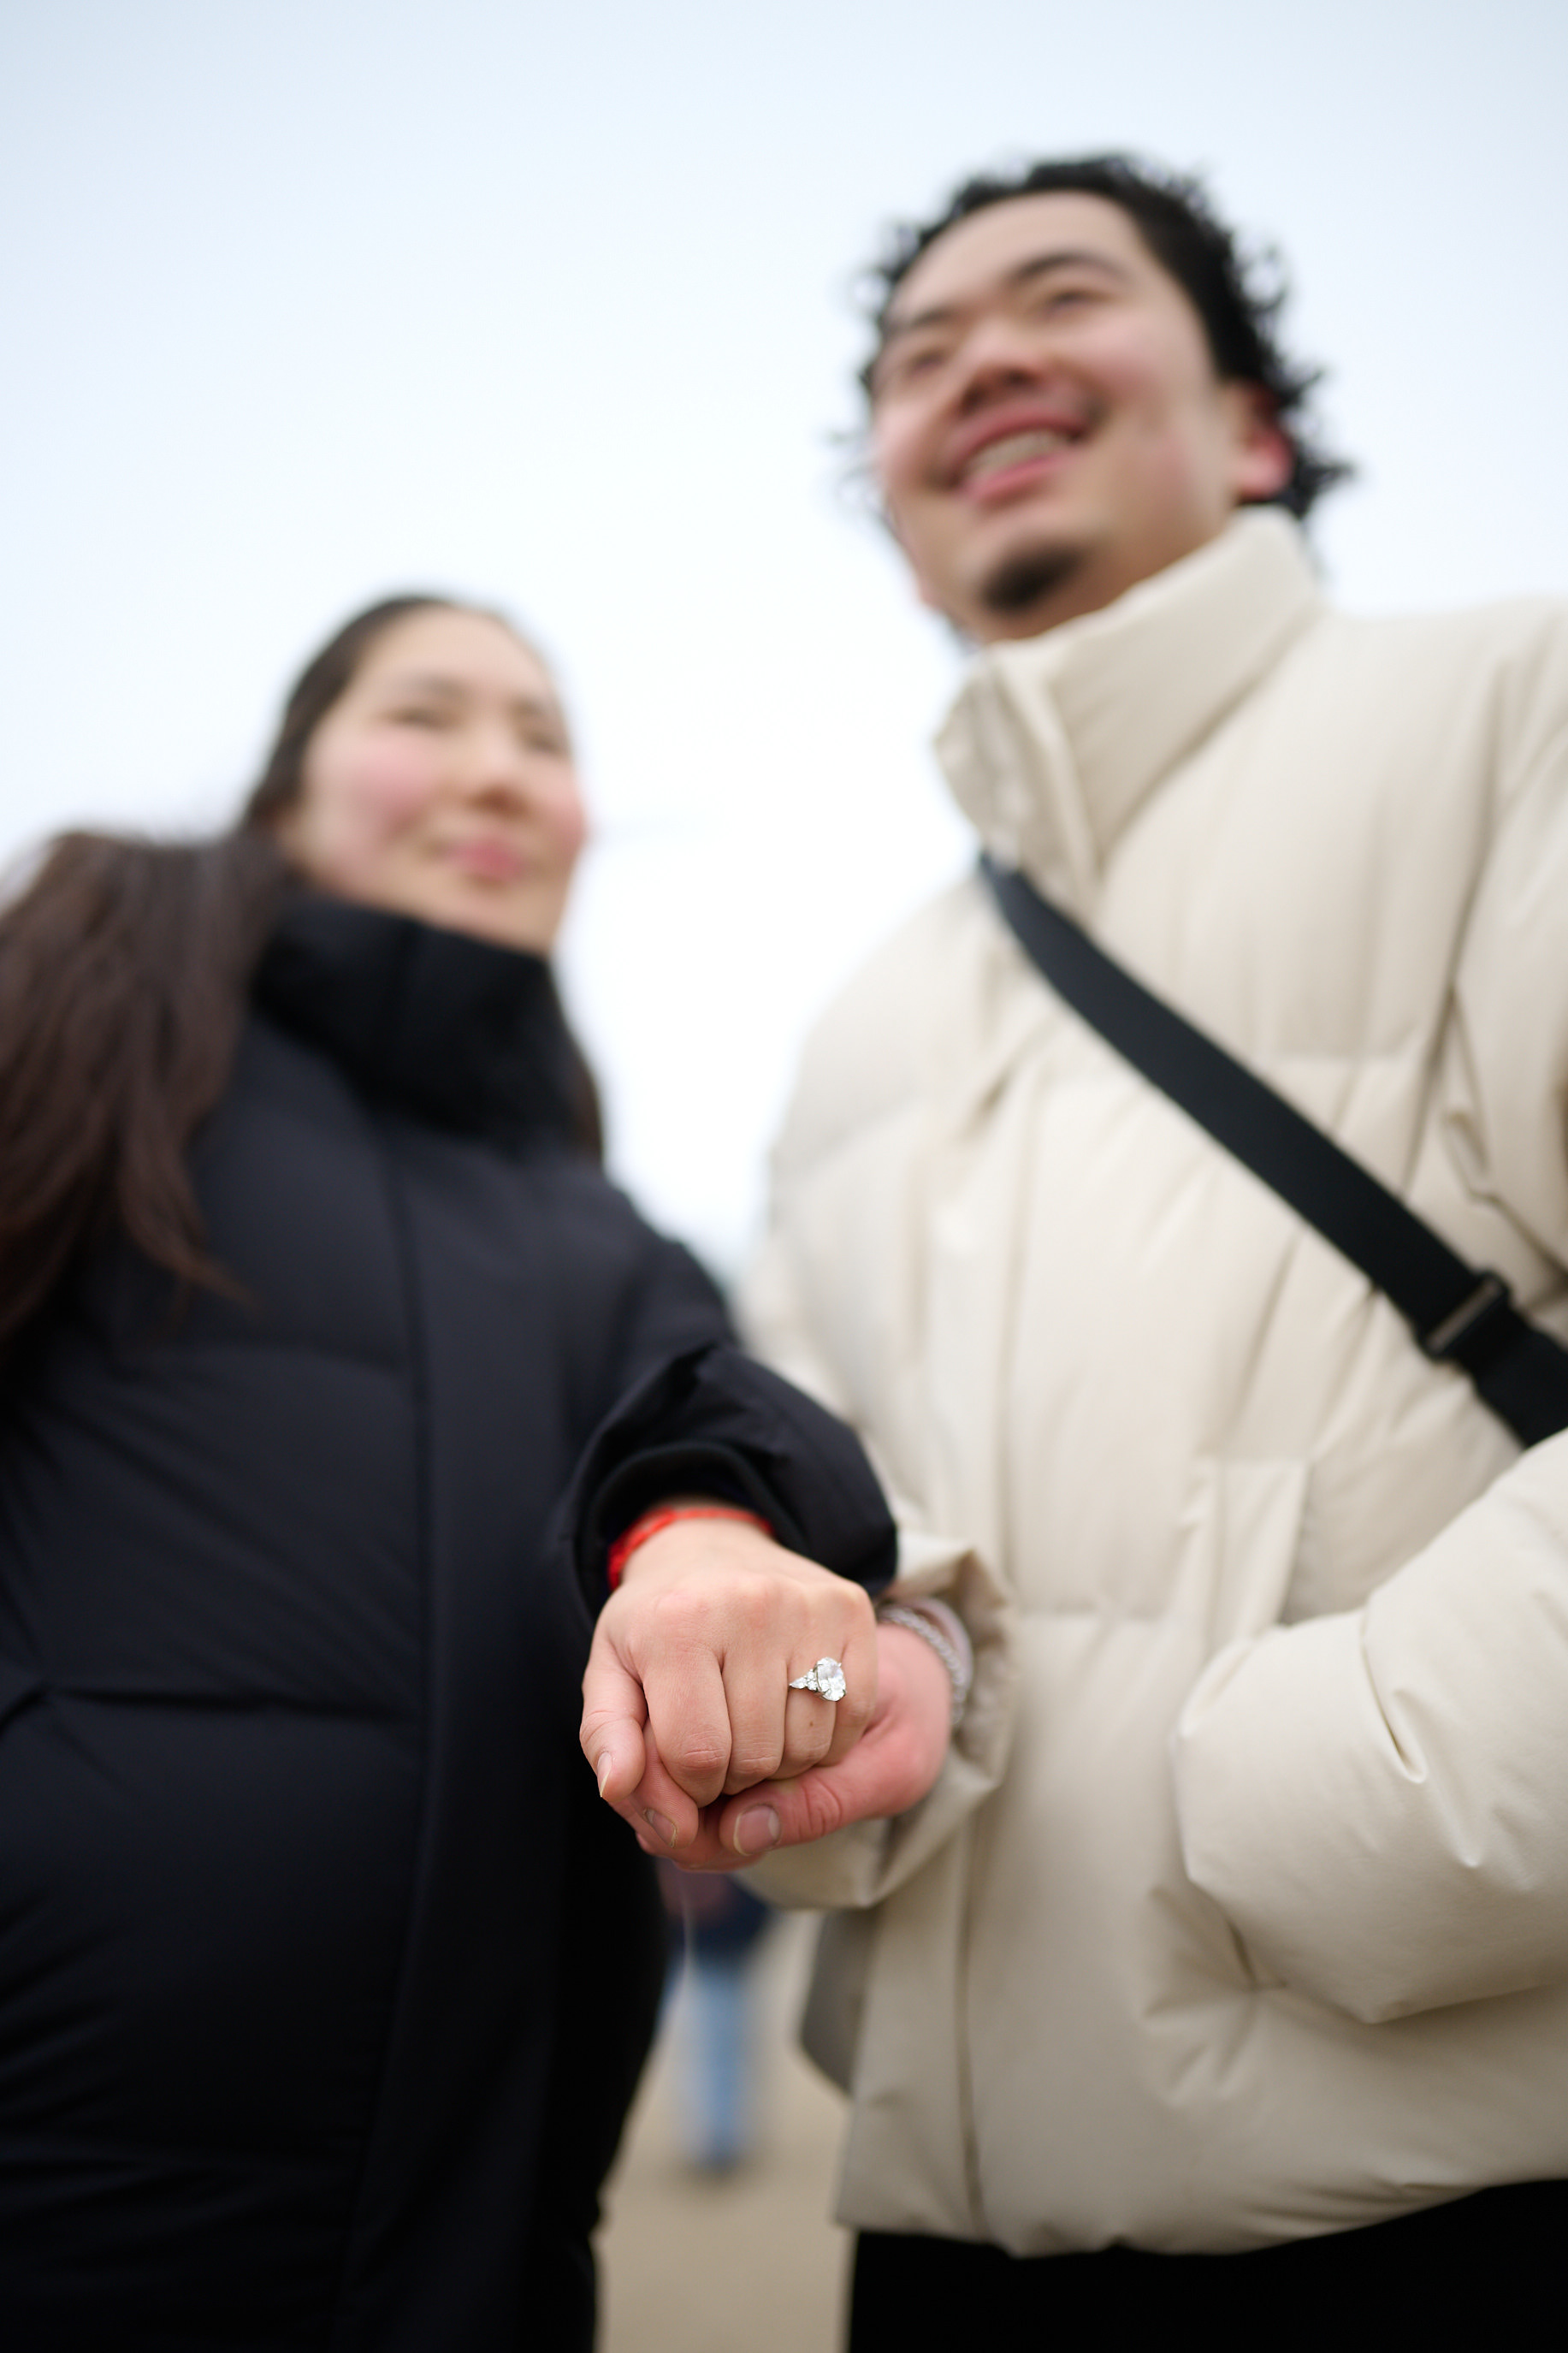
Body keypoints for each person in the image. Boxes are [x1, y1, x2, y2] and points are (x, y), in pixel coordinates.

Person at [595, 156, 1568, 2341]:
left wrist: (1290, 1812)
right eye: (917, 358)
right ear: (894, 499)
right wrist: (831, 1724)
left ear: (1246, 423)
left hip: (1474, 2197)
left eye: (1059, 298)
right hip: (945, 2250)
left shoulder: (1517, 712)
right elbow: (831, 1533)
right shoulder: (858, 1022)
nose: (981, 364)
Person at [0, 592, 901, 2351]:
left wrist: (712, 1542)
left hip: (459, 2253)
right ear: (286, 793)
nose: (494, 768)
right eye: (429, 712)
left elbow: (719, 1418)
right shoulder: (89, 1009)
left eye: (544, 738)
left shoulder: (589, 1225)